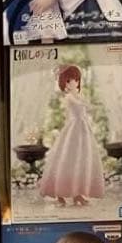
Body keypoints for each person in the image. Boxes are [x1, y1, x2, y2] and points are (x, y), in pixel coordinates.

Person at [38, 64, 104, 207]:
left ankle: (78, 194)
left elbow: (87, 107)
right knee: (68, 160)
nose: (74, 82)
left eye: (76, 79)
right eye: (69, 80)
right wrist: (84, 102)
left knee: (82, 160)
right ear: (65, 82)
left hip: (83, 129)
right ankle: (60, 193)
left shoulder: (78, 96)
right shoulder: (69, 97)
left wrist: (86, 103)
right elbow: (81, 106)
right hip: (74, 128)